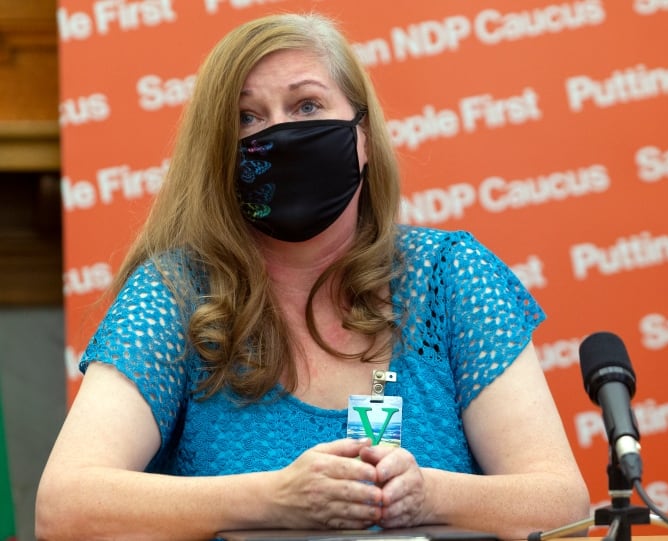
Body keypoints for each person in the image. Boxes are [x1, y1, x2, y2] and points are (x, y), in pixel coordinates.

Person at [36, 12, 590, 541]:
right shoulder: (176, 293)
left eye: (306, 106)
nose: (279, 133)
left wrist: (430, 494)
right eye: (247, 118)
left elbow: (561, 505)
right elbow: (66, 509)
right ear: (219, 155)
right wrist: (272, 499)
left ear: (364, 137)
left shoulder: (448, 277)